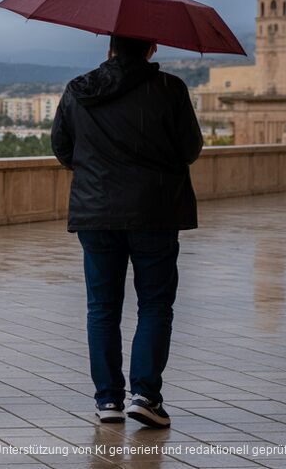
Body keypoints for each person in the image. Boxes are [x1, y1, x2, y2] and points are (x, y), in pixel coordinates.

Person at [51, 35, 203, 428]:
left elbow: (62, 148)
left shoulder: (78, 89)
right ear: (152, 48)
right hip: (155, 211)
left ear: (110, 48)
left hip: (96, 213)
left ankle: (108, 401)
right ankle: (146, 395)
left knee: (102, 308)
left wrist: (95, 172)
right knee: (154, 303)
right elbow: (190, 149)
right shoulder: (170, 89)